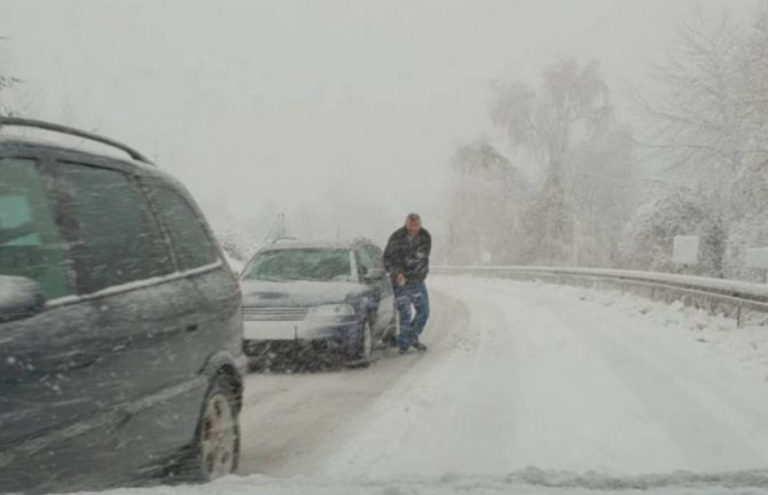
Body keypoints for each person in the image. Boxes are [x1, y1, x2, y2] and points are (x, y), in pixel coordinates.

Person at [383, 213, 431, 354]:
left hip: (417, 279)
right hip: (400, 281)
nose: (414, 229)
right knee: (405, 313)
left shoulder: (425, 236)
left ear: (420, 224)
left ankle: (408, 339)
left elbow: (422, 257)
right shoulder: (396, 237)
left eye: (417, 225)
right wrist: (397, 273)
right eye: (411, 225)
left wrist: (420, 273)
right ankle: (404, 345)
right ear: (406, 224)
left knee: (424, 312)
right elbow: (387, 259)